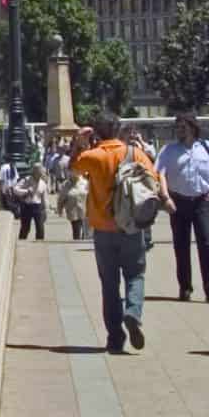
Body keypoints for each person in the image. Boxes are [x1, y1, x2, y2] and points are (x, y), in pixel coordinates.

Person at [75, 111, 160, 355]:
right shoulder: (135, 154)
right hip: (131, 227)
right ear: (118, 130)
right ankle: (133, 312)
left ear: (97, 133)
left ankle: (115, 337)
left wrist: (79, 143)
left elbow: (74, 167)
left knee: (109, 285)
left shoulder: (94, 156)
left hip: (103, 229)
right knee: (136, 274)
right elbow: (152, 181)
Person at [156, 113, 209, 302]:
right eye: (178, 127)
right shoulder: (168, 150)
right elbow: (160, 175)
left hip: (201, 202)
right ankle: (185, 287)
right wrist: (165, 197)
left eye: (183, 127)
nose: (180, 130)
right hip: (178, 202)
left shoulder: (207, 147)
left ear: (193, 128)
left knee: (206, 243)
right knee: (181, 246)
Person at [2, 158, 44, 240]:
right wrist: (26, 191)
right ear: (34, 173)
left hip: (37, 206)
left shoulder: (42, 183)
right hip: (27, 206)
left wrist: (45, 208)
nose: (40, 176)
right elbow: (15, 189)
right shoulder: (26, 180)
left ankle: (40, 243)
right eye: (38, 174)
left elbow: (43, 196)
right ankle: (21, 241)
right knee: (25, 228)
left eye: (41, 174)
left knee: (40, 228)